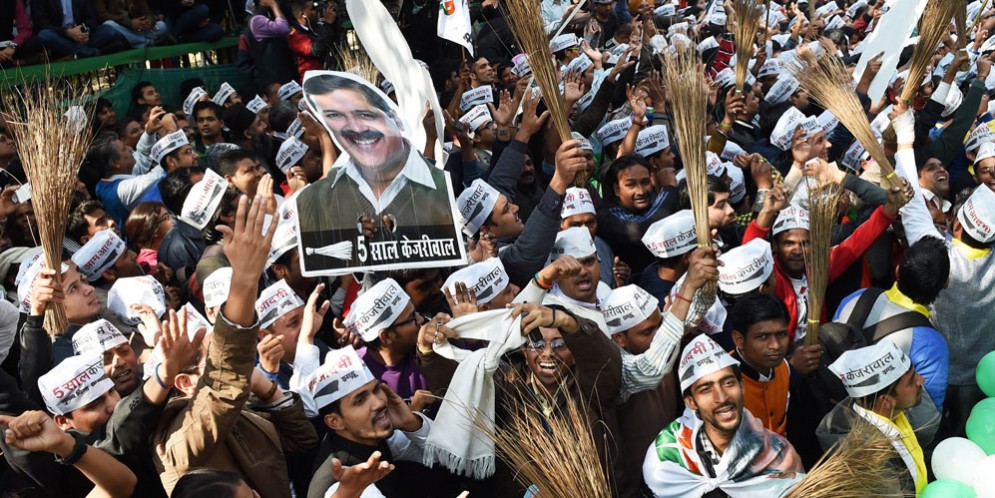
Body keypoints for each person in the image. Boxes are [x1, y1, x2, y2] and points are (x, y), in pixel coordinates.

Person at [151, 195, 318, 496]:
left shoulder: (244, 406)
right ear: (186, 382)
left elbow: (304, 442)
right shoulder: (179, 439)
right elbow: (223, 383)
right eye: (213, 360)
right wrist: (244, 279)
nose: (232, 368)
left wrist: (268, 389)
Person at [297, 72, 460, 274]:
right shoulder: (324, 198)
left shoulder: (433, 182)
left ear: (394, 118)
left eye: (365, 115)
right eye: (335, 116)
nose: (355, 128)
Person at [643, 334, 804, 497]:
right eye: (706, 389)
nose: (721, 397)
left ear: (742, 387)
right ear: (691, 401)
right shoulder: (667, 458)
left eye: (728, 383)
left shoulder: (779, 453)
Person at [297, 346, 434, 498]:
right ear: (335, 421)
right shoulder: (343, 480)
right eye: (360, 400)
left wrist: (411, 423)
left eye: (376, 390)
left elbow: (437, 455)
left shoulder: (368, 435)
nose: (379, 403)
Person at [819, 340, 927, 494]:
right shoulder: (866, 461)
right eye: (911, 382)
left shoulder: (889, 413)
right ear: (886, 401)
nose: (921, 380)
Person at [729, 294, 792, 435]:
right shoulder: (722, 383)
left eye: (781, 334)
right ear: (739, 340)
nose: (775, 345)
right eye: (763, 337)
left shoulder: (783, 367)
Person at [31, 0, 128, 59]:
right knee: (44, 34)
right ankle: (92, 52)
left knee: (108, 30)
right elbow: (41, 24)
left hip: (82, 38)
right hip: (60, 38)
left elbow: (91, 19)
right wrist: (67, 32)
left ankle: (81, 52)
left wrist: (85, 32)